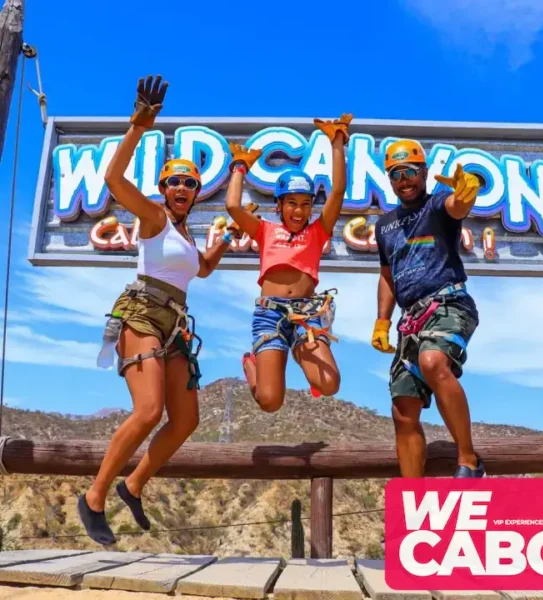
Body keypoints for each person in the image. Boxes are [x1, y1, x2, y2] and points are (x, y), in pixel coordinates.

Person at [78, 75, 242, 545]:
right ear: (163, 187)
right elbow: (112, 179)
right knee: (149, 410)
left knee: (186, 420)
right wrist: (139, 126)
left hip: (176, 325)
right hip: (143, 315)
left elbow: (201, 271)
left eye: (191, 183)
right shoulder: (153, 219)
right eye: (175, 182)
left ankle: (134, 485)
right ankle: (94, 497)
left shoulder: (188, 236)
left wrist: (222, 245)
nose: (183, 189)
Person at [372, 139, 484, 479]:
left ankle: (469, 460)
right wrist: (381, 321)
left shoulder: (436, 205)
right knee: (402, 408)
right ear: (389, 179)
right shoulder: (384, 226)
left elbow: (456, 206)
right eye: (396, 174)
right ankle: (412, 497)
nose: (404, 180)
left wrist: (466, 194)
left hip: (449, 301)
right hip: (409, 320)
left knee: (432, 361)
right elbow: (387, 275)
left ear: (423, 172)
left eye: (411, 172)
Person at [225, 114, 352, 411]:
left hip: (306, 316)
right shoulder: (265, 230)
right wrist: (240, 166)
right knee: (270, 402)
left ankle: (300, 349)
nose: (299, 210)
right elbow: (232, 206)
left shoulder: (318, 231)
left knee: (330, 384)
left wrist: (336, 143)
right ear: (279, 205)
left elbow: (337, 192)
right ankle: (251, 364)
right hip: (270, 314)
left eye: (306, 204)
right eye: (292, 203)